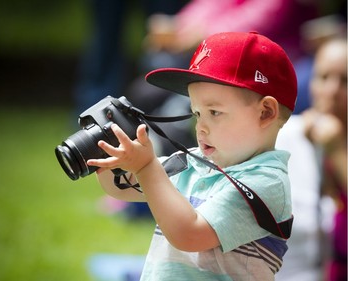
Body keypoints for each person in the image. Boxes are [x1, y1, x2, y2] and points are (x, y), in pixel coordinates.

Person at [87, 31, 296, 280]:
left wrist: (147, 168)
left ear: (266, 113)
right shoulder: (195, 163)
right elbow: (121, 187)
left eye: (214, 112)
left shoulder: (265, 182)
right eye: (197, 113)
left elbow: (190, 234)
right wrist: (108, 149)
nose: (200, 127)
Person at [275, 36, 347, 281]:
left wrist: (337, 152)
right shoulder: (281, 137)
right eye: (324, 77)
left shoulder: (338, 149)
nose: (333, 90)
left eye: (345, 81)